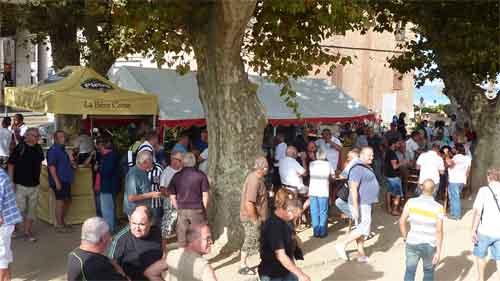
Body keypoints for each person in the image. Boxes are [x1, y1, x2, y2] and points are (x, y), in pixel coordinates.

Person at [335, 147, 380, 263]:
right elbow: (353, 188)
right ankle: (342, 244)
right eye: (369, 155)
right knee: (365, 227)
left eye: (373, 155)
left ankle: (361, 254)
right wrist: (355, 207)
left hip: (365, 202)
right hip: (361, 203)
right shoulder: (357, 168)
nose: (372, 157)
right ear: (362, 155)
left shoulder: (363, 166)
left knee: (361, 227)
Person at [258, 189, 310, 281]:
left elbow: (298, 244)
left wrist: (294, 236)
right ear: (289, 211)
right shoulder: (274, 226)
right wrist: (300, 274)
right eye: (295, 216)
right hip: (273, 275)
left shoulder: (287, 222)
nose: (295, 219)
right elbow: (281, 255)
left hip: (287, 270)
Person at [400, 179, 444, 281]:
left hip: (412, 242)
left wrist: (405, 237)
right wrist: (438, 251)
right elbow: (439, 231)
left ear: (421, 188)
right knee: (428, 272)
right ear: (434, 190)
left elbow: (402, 221)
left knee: (410, 271)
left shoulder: (411, 202)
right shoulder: (438, 208)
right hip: (429, 244)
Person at [7, 128, 44, 242]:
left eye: (37, 136)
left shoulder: (38, 148)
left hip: (35, 185)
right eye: (34, 135)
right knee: (19, 209)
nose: (36, 137)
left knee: (32, 211)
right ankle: (13, 229)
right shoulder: (20, 148)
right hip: (20, 185)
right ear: (27, 136)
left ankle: (27, 232)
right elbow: (11, 165)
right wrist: (11, 181)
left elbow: (40, 162)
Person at [109, 206, 163, 281]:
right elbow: (112, 264)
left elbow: (163, 250)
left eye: (142, 224)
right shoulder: (121, 238)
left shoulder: (157, 232)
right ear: (129, 220)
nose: (137, 228)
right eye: (134, 223)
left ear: (151, 222)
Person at [168, 152, 210, 246]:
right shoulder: (201, 175)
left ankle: (183, 256)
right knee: (198, 236)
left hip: (182, 209)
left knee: (182, 237)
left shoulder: (176, 176)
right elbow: (205, 195)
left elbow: (172, 196)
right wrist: (204, 209)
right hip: (197, 209)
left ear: (182, 162)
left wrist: (178, 207)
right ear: (194, 162)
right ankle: (198, 257)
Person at [153, 224, 217, 281]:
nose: (211, 241)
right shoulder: (204, 267)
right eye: (207, 238)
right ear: (194, 240)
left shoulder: (172, 254)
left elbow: (151, 273)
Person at [239, 156, 269, 275]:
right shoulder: (254, 180)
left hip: (258, 217)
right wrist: (255, 219)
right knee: (250, 239)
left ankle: (264, 261)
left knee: (259, 239)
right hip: (251, 217)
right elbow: (249, 202)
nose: (267, 168)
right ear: (260, 168)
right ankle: (242, 265)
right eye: (265, 166)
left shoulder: (257, 177)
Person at [471, 167, 500, 281]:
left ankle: (481, 279)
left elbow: (477, 212)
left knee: (480, 256)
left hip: (484, 230)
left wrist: (473, 230)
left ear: (488, 177)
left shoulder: (483, 190)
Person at [47, 130, 75, 232]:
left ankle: (62, 222)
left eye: (64, 136)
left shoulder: (64, 150)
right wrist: (57, 181)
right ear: (56, 139)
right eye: (61, 137)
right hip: (59, 180)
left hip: (66, 179)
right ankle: (59, 225)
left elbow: (69, 164)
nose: (64, 138)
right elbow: (51, 166)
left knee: (67, 201)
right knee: (60, 202)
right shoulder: (53, 150)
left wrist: (72, 161)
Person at [123, 150, 163, 217]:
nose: (152, 163)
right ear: (145, 162)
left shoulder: (143, 171)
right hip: (135, 212)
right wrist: (151, 194)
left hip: (142, 210)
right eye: (151, 161)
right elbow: (131, 197)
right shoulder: (134, 174)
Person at [95, 137, 120, 233]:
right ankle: (111, 228)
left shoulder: (109, 156)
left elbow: (106, 172)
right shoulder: (110, 155)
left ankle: (109, 231)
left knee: (107, 210)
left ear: (102, 146)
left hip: (107, 187)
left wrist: (99, 168)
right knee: (110, 209)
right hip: (110, 186)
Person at [0, 168, 22, 281]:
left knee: (1, 257)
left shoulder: (0, 177)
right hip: (6, 222)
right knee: (5, 255)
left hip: (3, 223)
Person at [159, 151, 183, 252]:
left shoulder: (183, 170)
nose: (181, 162)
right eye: (179, 160)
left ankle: (180, 249)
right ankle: (165, 252)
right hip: (170, 203)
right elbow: (162, 189)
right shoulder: (167, 172)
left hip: (182, 203)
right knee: (167, 228)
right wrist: (173, 196)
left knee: (181, 226)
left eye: (180, 160)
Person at [308, 148, 334, 238]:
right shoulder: (328, 164)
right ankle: (322, 232)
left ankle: (316, 232)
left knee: (314, 211)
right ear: (325, 155)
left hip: (313, 190)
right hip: (323, 190)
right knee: (323, 211)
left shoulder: (311, 164)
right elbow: (333, 176)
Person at [446, 143, 471, 220]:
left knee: (455, 198)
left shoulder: (456, 158)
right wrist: (466, 180)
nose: (452, 149)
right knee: (454, 197)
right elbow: (468, 171)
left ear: (457, 150)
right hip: (462, 181)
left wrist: (446, 153)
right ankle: (453, 213)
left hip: (454, 180)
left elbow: (449, 163)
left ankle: (456, 215)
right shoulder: (468, 158)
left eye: (454, 148)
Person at [384, 138, 408, 216]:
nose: (399, 145)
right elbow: (394, 166)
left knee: (389, 191)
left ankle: (389, 208)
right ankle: (394, 210)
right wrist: (402, 162)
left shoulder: (388, 152)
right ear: (393, 144)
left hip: (388, 175)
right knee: (398, 194)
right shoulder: (392, 153)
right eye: (398, 143)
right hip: (394, 176)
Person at [335, 149, 360, 218]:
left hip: (353, 189)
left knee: (338, 201)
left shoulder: (351, 164)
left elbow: (342, 176)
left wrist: (336, 175)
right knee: (340, 191)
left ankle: (353, 215)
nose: (347, 158)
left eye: (348, 157)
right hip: (361, 189)